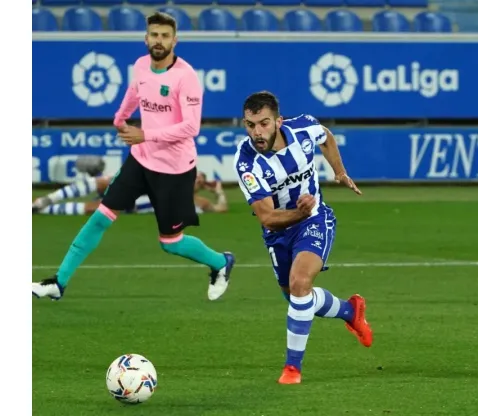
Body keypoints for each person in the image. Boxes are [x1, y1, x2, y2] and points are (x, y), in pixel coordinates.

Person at [31, 12, 235, 302]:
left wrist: (145, 134)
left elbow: (192, 127)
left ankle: (220, 262)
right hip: (140, 160)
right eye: (154, 35)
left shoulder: (186, 77)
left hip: (175, 171)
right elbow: (135, 91)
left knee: (171, 243)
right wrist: (120, 118)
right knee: (101, 216)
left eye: (165, 36)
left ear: (175, 40)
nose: (159, 41)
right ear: (146, 38)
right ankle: (58, 283)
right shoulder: (141, 65)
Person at [234, 91, 371, 385]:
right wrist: (299, 210)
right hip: (279, 231)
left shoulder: (303, 128)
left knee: (299, 284)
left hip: (314, 219)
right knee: (296, 297)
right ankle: (350, 310)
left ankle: (292, 369)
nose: (257, 132)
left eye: (263, 123)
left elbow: (327, 137)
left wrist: (340, 172)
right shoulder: (246, 163)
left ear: (278, 121)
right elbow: (268, 218)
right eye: (250, 125)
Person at [33, 169, 228, 215]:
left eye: (200, 181)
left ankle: (40, 210)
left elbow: (221, 209)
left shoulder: (197, 201)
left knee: (95, 208)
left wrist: (219, 192)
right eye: (196, 176)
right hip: (132, 187)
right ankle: (47, 200)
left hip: (132, 204)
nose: (196, 180)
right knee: (103, 181)